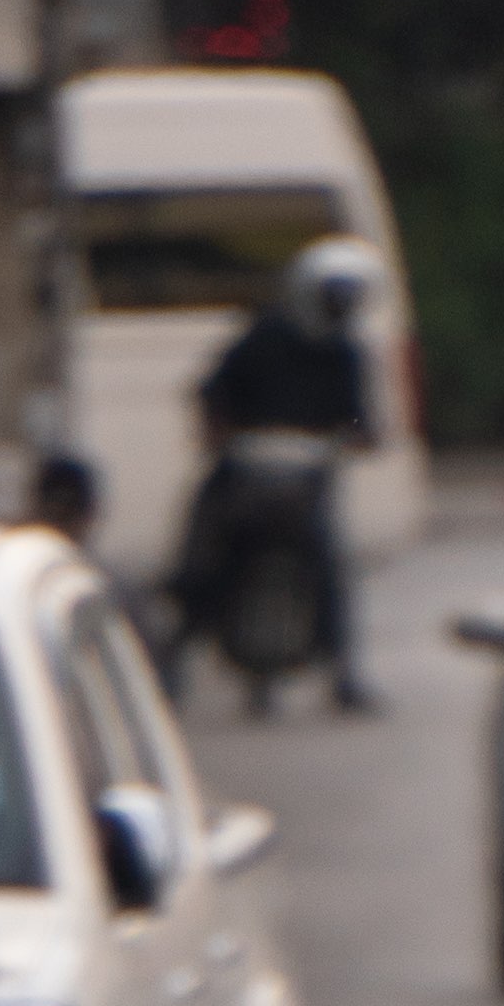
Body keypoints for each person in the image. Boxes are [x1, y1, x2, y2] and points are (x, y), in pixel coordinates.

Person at [179, 233, 380, 707]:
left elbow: (357, 418)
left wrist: (358, 436)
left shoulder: (345, 353)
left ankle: (343, 675)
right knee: (203, 555)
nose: (334, 308)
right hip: (246, 466)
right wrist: (217, 429)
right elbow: (213, 389)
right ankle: (175, 656)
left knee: (329, 568)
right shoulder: (263, 336)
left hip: (308, 476)